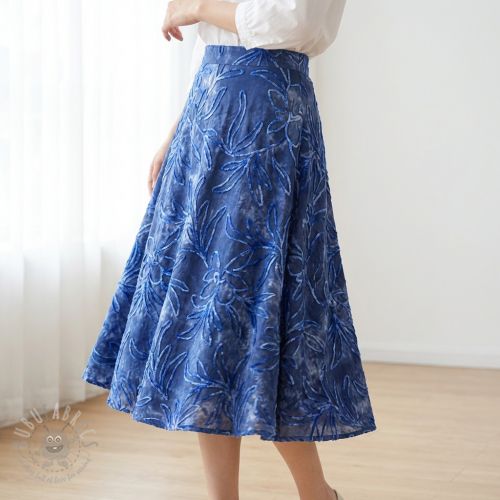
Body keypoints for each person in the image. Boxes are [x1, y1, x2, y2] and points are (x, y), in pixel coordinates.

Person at [82, 1, 377, 499]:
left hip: (265, 121)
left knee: (262, 316)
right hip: (208, 115)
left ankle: (315, 493)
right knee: (208, 324)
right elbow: (215, 49)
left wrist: (197, 6)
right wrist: (175, 133)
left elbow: (294, 21)